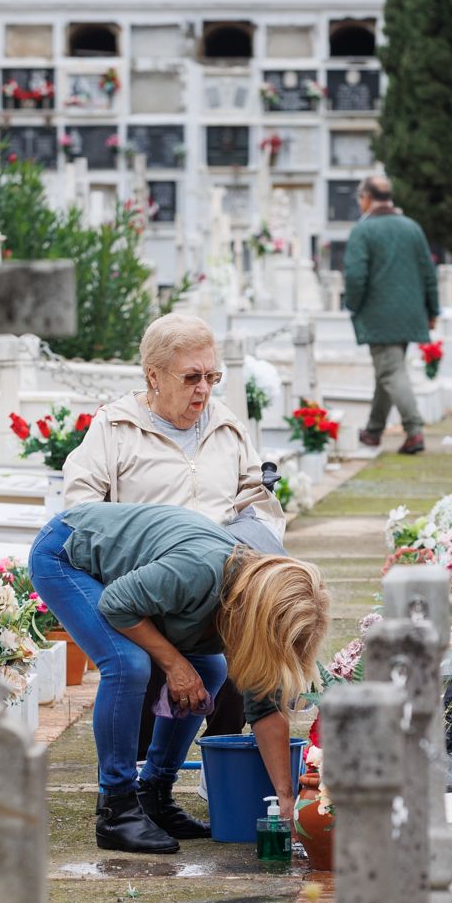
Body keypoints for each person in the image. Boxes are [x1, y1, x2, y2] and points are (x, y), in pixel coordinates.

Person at [61, 314, 295, 793]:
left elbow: (259, 502)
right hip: (142, 589)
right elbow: (79, 509)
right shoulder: (116, 427)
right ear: (153, 376)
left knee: (237, 667)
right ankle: (135, 788)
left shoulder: (227, 428)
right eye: (192, 377)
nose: (204, 389)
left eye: (212, 377)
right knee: (136, 670)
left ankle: (218, 779)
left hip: (215, 587)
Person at [29, 502, 330, 854]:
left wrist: (286, 799)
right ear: (263, 617)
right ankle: (117, 808)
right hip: (66, 554)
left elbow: (264, 707)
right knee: (128, 664)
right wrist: (174, 664)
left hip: (123, 573)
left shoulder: (256, 600)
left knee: (210, 668)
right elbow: (116, 605)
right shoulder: (199, 571)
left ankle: (154, 792)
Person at [343, 175, 438, 455]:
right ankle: (374, 430)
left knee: (391, 371)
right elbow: (428, 273)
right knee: (388, 371)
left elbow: (355, 276)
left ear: (367, 198)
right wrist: (432, 310)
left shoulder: (364, 231)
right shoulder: (412, 227)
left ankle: (414, 430)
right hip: (410, 314)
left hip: (379, 314)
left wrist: (353, 304)